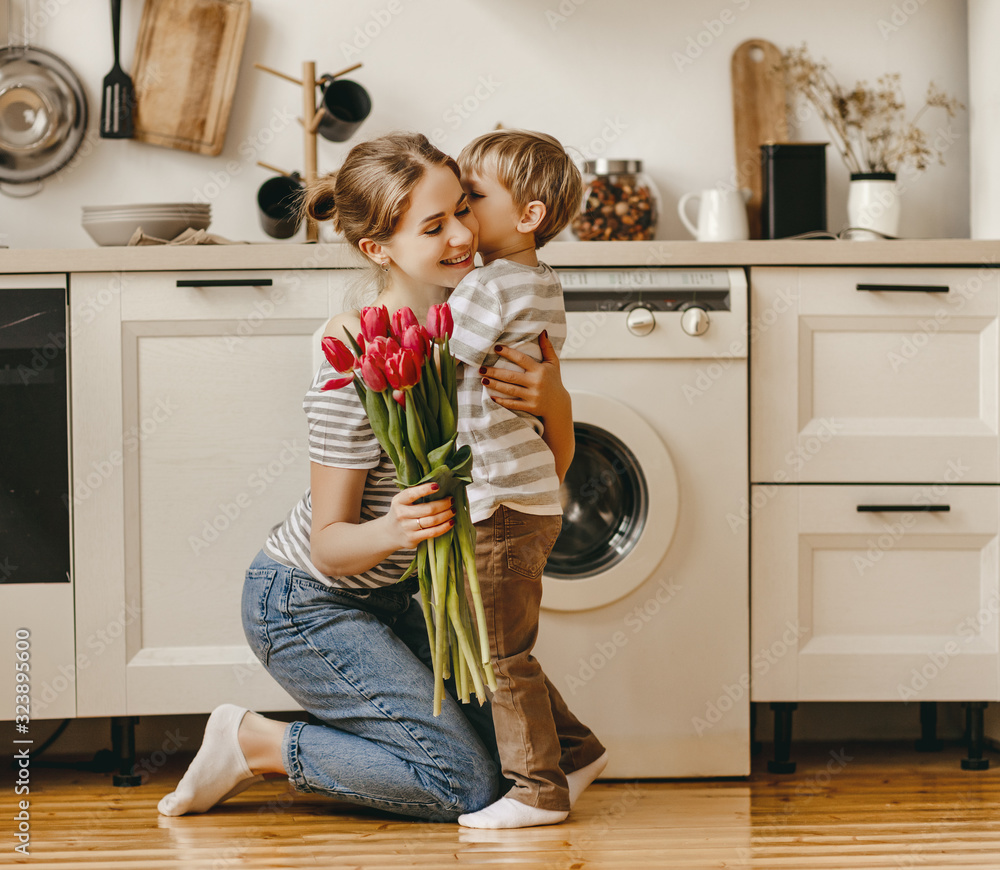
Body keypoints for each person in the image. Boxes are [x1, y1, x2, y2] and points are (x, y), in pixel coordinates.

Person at [156, 132, 575, 823]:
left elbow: (544, 471)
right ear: (379, 249)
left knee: (506, 769)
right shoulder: (350, 358)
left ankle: (367, 727)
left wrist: (555, 403)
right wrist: (394, 526)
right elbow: (329, 546)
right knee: (462, 786)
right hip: (306, 602)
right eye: (435, 226)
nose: (465, 235)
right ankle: (253, 742)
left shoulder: (467, 326)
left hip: (396, 601)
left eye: (464, 209)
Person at [444, 130, 608, 830]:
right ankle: (574, 753)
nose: (462, 216)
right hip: (531, 492)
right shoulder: (539, 280)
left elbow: (439, 359)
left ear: (529, 216)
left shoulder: (487, 283)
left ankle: (538, 789)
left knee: (501, 655)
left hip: (500, 499)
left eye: (472, 199)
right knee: (508, 647)